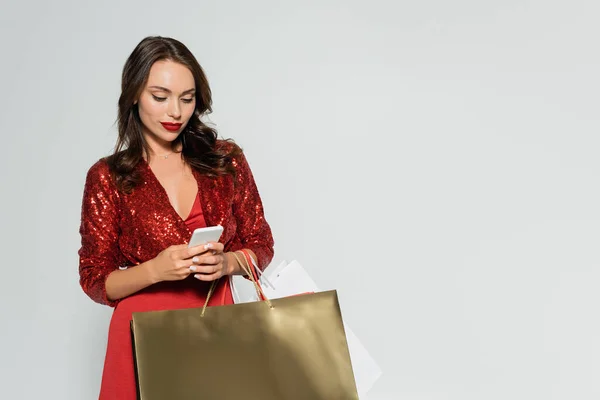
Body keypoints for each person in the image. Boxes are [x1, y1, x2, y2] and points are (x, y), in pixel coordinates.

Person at [77, 36, 274, 400]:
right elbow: (94, 280)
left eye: (187, 98)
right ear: (134, 93)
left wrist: (228, 262)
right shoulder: (109, 176)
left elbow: (261, 244)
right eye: (160, 96)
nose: (175, 112)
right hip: (139, 336)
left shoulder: (224, 159)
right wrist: (155, 269)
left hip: (216, 327)